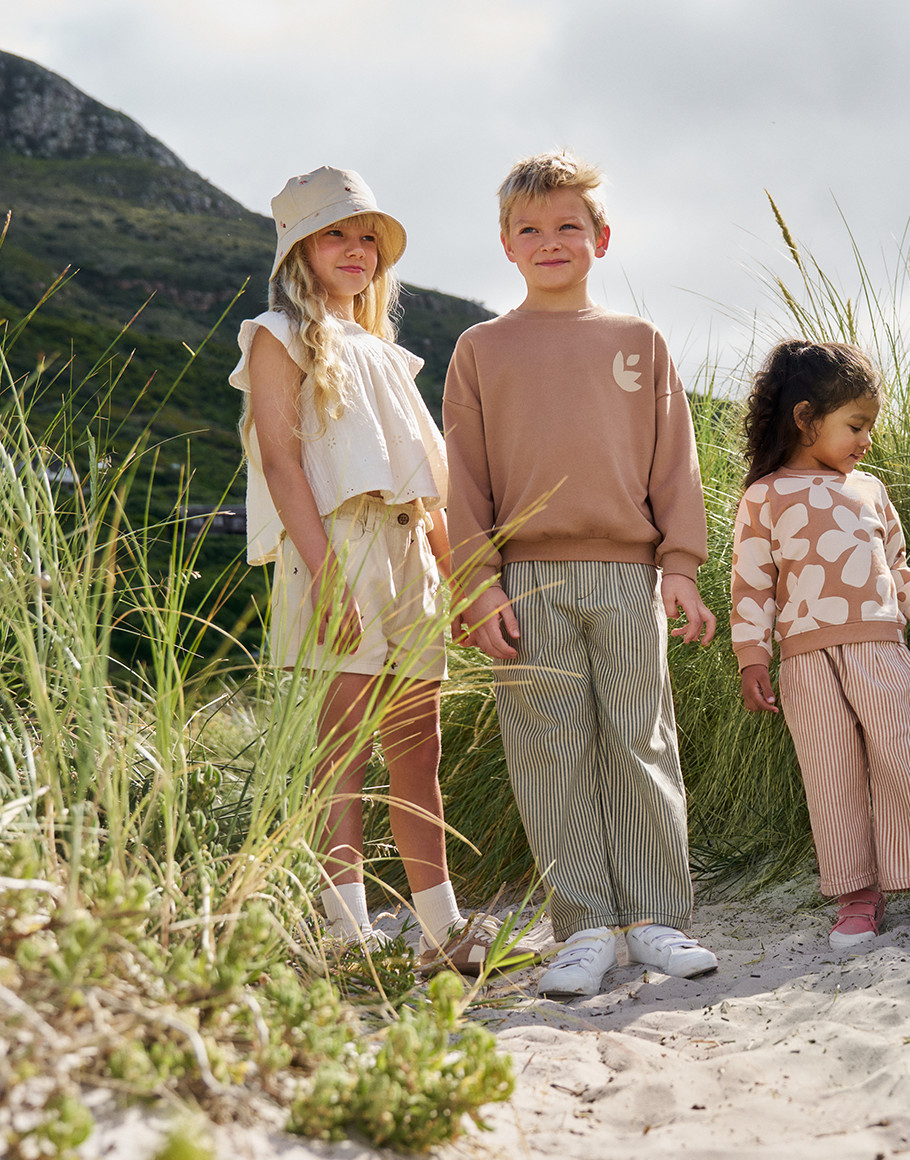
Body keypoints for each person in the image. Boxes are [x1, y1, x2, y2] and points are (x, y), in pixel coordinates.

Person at [231, 165, 534, 974]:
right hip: (336, 550)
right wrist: (327, 574)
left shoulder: (388, 357)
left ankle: (442, 933)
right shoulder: (276, 334)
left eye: (369, 237)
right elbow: (282, 462)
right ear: (300, 247)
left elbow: (426, 491)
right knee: (342, 754)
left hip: (408, 558)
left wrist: (462, 585)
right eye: (337, 232)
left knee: (418, 750)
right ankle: (347, 935)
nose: (357, 249)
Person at [443, 151, 718, 998]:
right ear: (505, 246)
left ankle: (656, 918)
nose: (550, 240)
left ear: (601, 237)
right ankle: (586, 926)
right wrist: (477, 582)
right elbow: (465, 479)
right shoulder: (480, 349)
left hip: (628, 575)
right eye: (530, 228)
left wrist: (680, 563)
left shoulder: (639, 341)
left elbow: (676, 463)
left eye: (568, 225)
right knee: (548, 752)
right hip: (525, 581)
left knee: (642, 738)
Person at [730, 339, 910, 950]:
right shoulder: (764, 497)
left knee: (905, 755)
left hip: (880, 650)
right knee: (829, 770)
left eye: (870, 426)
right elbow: (751, 585)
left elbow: (897, 568)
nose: (867, 439)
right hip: (807, 662)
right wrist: (751, 658)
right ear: (806, 419)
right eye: (856, 425)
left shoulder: (869, 489)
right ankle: (856, 894)